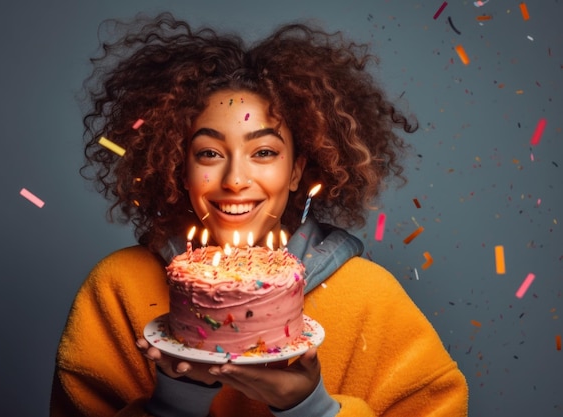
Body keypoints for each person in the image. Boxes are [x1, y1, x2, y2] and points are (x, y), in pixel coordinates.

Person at [50, 12, 468, 417]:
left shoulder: (371, 297)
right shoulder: (117, 288)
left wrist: (311, 408)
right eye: (209, 153)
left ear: (297, 170)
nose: (234, 179)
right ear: (181, 166)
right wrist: (177, 402)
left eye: (264, 152)